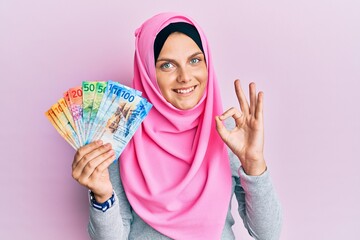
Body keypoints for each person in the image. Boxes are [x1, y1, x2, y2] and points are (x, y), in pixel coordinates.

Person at [72, 12, 282, 240]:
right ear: (147, 72)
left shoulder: (229, 130)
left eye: (195, 60)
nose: (185, 76)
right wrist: (102, 196)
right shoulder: (121, 131)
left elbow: (268, 234)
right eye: (167, 65)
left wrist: (254, 164)